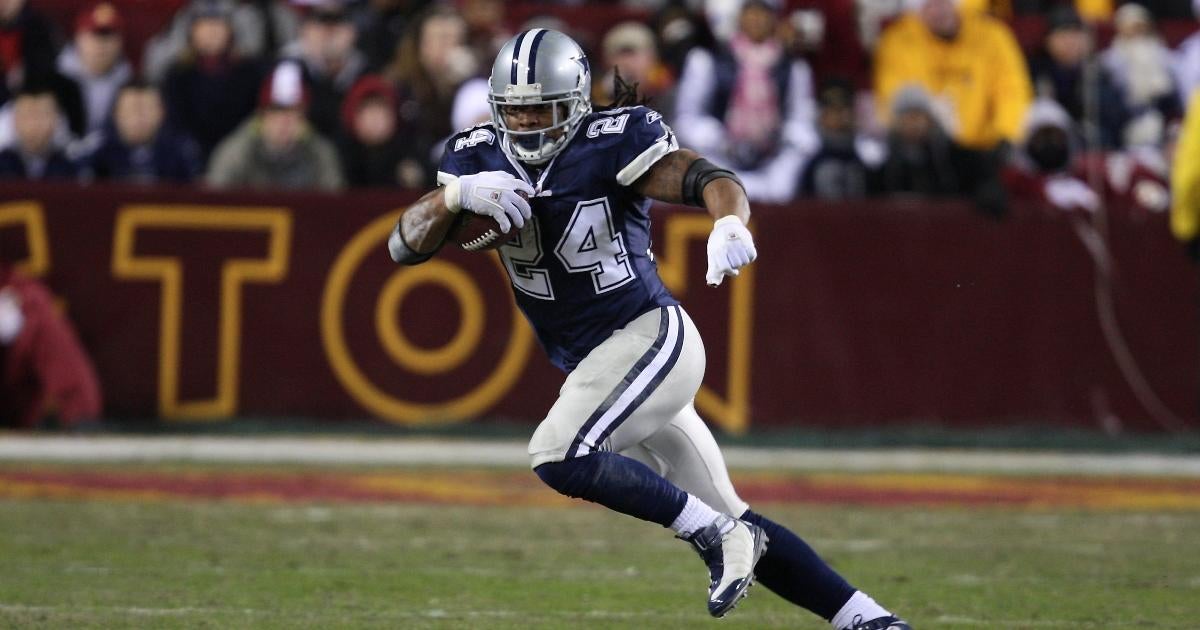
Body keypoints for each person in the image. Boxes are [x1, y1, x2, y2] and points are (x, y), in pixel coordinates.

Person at [387, 28, 911, 630]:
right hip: (599, 366)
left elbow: (708, 178)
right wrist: (454, 198)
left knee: (558, 453)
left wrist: (730, 224)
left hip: (650, 336)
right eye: (517, 110)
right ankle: (869, 620)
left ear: (577, 103)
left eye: (542, 108)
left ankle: (715, 538)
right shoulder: (474, 156)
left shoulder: (611, 141)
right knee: (741, 520)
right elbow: (403, 246)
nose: (528, 123)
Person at [674, 0, 819, 203]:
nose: (756, 20)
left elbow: (802, 120)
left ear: (774, 19)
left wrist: (783, 140)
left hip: (773, 163)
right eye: (751, 12)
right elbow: (687, 118)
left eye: (763, 14)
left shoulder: (793, 67)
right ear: (739, 16)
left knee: (792, 166)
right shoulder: (707, 60)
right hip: (719, 155)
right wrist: (719, 140)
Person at [874, 0, 1033, 151]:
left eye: (942, 2)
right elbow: (895, 98)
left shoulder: (992, 36)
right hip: (929, 150)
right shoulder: (899, 43)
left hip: (986, 148)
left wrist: (1007, 136)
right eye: (929, 5)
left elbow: (1012, 90)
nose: (938, 11)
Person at [873, 85, 1008, 218]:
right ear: (896, 122)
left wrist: (987, 188)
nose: (914, 122)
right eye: (908, 116)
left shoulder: (952, 156)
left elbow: (982, 175)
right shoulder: (886, 162)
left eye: (918, 115)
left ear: (929, 119)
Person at [206, 61, 343, 191]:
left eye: (293, 113)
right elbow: (215, 199)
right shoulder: (237, 151)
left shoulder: (320, 153)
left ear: (304, 118)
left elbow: (333, 202)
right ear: (262, 116)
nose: (284, 122)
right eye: (276, 112)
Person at [0, 264, 102, 429]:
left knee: (33, 308)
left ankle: (81, 420)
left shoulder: (19, 294)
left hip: (13, 412)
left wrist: (81, 414)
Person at [160, 0, 265, 159]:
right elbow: (175, 124)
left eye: (218, 25)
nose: (211, 31)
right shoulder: (177, 75)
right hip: (190, 154)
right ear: (192, 32)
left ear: (230, 31)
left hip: (239, 154)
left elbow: (254, 120)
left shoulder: (249, 72)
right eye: (204, 25)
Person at [85, 81, 203, 184]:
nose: (138, 117)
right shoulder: (95, 150)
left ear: (162, 113)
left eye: (147, 109)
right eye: (131, 109)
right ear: (116, 114)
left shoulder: (182, 152)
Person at [280, 1, 367, 138]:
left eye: (336, 24)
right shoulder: (285, 67)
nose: (328, 34)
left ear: (352, 32)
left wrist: (335, 65)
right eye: (321, 24)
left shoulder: (364, 69)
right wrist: (319, 63)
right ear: (304, 30)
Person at [56, 2, 133, 137]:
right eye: (94, 35)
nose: (101, 45)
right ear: (78, 38)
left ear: (120, 42)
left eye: (108, 36)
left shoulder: (129, 82)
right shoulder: (54, 80)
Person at [0, 86, 79, 180]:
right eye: (28, 114)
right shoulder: (3, 162)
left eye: (42, 114)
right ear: (15, 121)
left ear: (56, 120)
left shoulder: (71, 165)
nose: (35, 123)